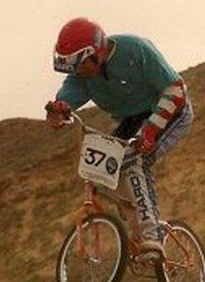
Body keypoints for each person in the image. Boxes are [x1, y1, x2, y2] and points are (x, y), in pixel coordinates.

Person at [45, 17, 193, 259]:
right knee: (101, 171)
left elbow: (176, 90)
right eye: (73, 69)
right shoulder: (81, 75)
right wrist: (59, 111)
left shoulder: (136, 50)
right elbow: (67, 98)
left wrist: (150, 133)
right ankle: (137, 214)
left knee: (135, 159)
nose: (78, 73)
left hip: (170, 111)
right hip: (131, 120)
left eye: (81, 66)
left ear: (97, 53)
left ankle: (152, 234)